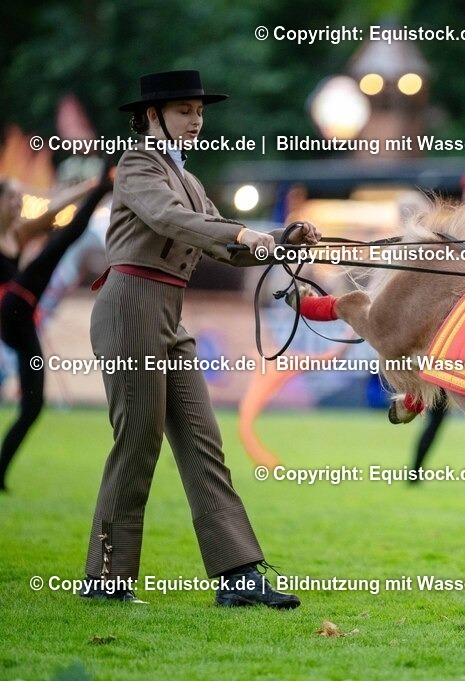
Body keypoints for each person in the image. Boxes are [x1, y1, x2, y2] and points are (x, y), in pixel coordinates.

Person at [81, 70, 319, 606]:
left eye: (200, 111)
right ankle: (106, 579)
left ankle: (238, 578)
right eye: (186, 110)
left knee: (203, 446)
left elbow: (226, 246)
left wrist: (283, 238)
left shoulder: (185, 175)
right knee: (137, 445)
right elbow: (174, 221)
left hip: (168, 315)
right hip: (129, 309)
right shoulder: (138, 166)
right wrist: (242, 233)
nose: (197, 120)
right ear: (151, 116)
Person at [0, 171, 112, 491]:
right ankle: (102, 189)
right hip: (11, 310)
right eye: (12, 197)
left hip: (21, 313)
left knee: (33, 405)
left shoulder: (17, 234)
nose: (19, 202)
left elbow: (51, 213)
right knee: (60, 245)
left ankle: (0, 474)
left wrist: (86, 188)